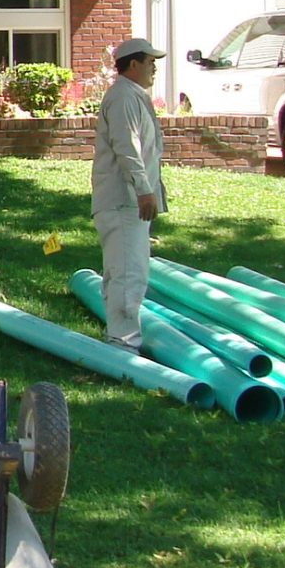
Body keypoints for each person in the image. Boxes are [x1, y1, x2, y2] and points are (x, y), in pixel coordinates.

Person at [92, 36, 167, 350]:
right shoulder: (123, 97)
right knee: (128, 273)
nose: (154, 69)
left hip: (127, 201)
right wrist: (144, 190)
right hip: (124, 201)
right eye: (150, 62)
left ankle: (120, 338)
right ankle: (123, 345)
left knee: (124, 270)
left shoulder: (131, 95)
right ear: (133, 64)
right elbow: (127, 147)